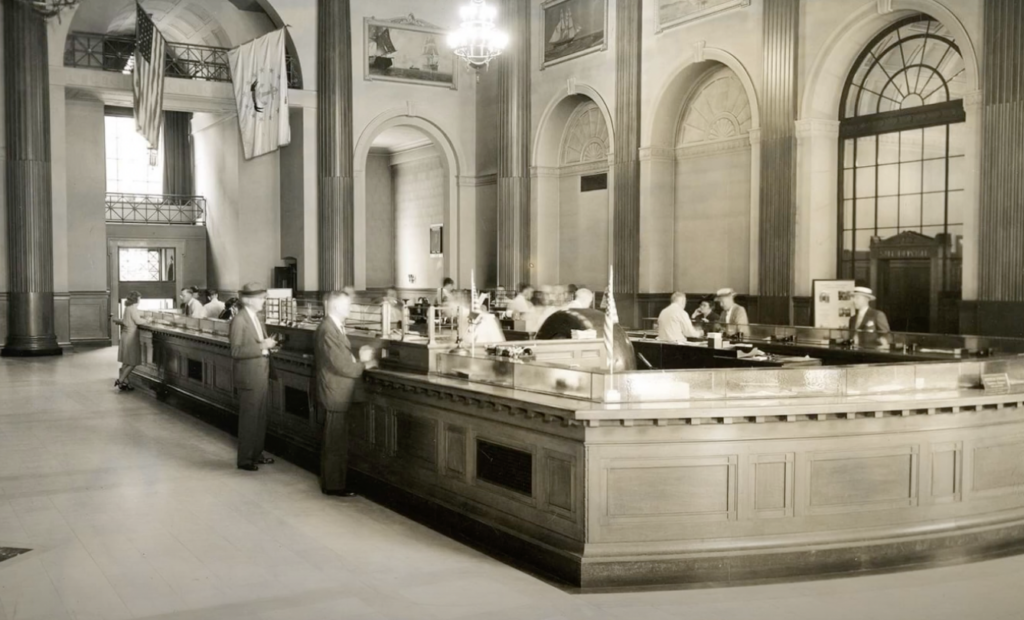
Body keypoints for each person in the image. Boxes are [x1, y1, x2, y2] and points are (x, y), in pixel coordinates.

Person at [315, 290, 377, 495]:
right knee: (334, 442)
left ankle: (336, 482)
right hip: (335, 392)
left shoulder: (334, 327)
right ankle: (333, 486)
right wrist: (365, 364)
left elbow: (341, 357)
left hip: (339, 391)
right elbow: (342, 366)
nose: (351, 308)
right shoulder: (328, 329)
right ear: (336, 307)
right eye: (348, 305)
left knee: (337, 440)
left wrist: (356, 358)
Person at [231, 282, 279, 471]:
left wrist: (269, 345)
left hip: (261, 372)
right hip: (249, 377)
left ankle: (256, 454)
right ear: (249, 300)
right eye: (261, 298)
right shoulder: (239, 320)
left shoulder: (256, 318)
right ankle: (245, 460)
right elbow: (235, 351)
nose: (264, 302)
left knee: (260, 417)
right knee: (249, 419)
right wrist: (262, 346)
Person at [113, 291, 147, 392]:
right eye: (140, 298)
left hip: (125, 335)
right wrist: (148, 320)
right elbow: (138, 321)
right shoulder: (132, 308)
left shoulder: (128, 307)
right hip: (131, 336)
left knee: (126, 361)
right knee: (132, 362)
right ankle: (120, 380)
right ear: (136, 299)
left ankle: (125, 382)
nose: (140, 300)